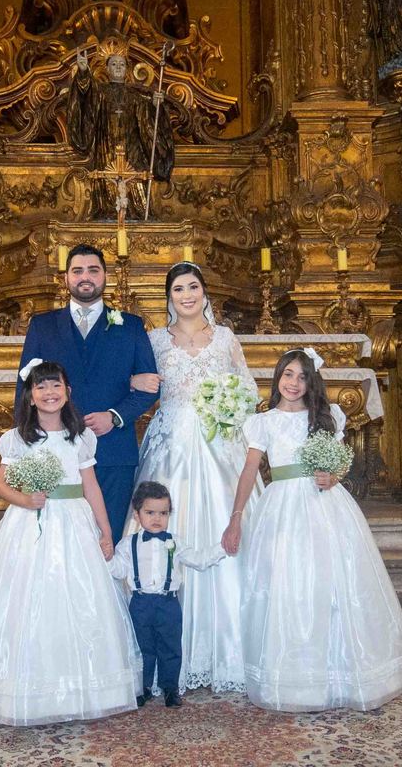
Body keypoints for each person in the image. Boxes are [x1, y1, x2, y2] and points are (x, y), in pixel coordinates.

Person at [0, 360, 140, 725]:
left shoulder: (81, 437)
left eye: (56, 385)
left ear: (68, 392)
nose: (49, 393)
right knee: (28, 598)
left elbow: (91, 486)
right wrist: (25, 499)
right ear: (30, 397)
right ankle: (23, 688)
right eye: (41, 387)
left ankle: (82, 688)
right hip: (30, 525)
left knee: (78, 598)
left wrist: (106, 531)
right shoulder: (18, 438)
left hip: (75, 522)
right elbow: (1, 485)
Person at [221, 348, 402, 712]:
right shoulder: (263, 422)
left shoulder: (326, 419)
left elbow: (339, 463)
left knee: (332, 582)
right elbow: (249, 471)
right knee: (289, 582)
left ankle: (340, 672)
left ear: (311, 382)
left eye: (302, 377)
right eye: (288, 374)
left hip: (324, 506)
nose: (294, 383)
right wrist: (236, 517)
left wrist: (334, 477)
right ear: (277, 378)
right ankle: (295, 676)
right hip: (281, 510)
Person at [126, 261, 261, 694]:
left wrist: (228, 405)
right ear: (169, 297)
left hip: (220, 445)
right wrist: (135, 380)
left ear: (204, 292)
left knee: (229, 527)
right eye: (179, 289)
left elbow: (248, 389)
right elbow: (137, 386)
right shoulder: (153, 340)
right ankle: (162, 653)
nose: (187, 295)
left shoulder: (224, 338)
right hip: (169, 448)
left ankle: (230, 650)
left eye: (193, 287)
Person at [18, 244, 159, 541]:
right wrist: (31, 442)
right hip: (55, 453)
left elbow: (149, 387)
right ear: (66, 277)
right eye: (77, 270)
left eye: (93, 270)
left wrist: (115, 416)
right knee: (58, 540)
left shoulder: (131, 326)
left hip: (113, 450)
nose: (85, 277)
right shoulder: (42, 326)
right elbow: (25, 388)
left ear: (105, 276)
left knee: (109, 538)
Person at [108, 481, 227, 708]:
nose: (157, 518)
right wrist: (106, 558)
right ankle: (143, 688)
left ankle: (170, 688)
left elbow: (199, 559)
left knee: (170, 647)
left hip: (168, 604)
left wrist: (222, 548)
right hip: (140, 603)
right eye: (150, 512)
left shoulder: (175, 541)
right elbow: (119, 570)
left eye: (163, 513)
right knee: (142, 647)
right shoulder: (127, 544)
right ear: (137, 515)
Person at [66, 40, 174, 220]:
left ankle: (138, 212)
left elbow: (149, 124)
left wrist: (156, 106)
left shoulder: (137, 97)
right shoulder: (100, 92)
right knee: (108, 186)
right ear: (107, 69)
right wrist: (83, 73)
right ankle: (107, 211)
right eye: (114, 64)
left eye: (122, 64)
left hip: (133, 151)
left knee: (135, 193)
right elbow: (85, 101)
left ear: (127, 70)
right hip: (107, 148)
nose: (118, 67)